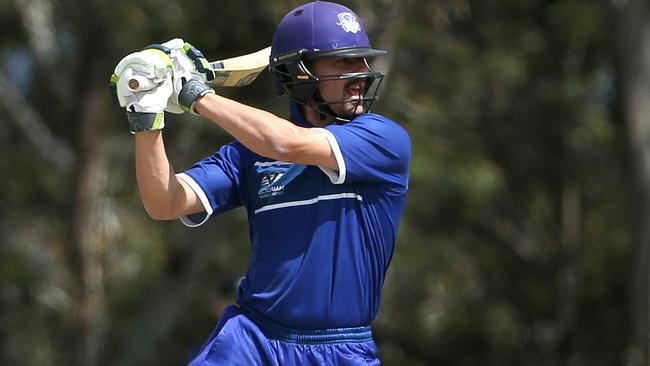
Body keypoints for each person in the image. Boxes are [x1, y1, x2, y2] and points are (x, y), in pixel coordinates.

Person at [112, 1, 410, 365]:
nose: (360, 75)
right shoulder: (249, 153)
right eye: (342, 63)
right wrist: (145, 116)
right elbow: (164, 202)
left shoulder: (383, 140)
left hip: (341, 350)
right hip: (255, 340)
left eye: (361, 61)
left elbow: (285, 143)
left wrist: (195, 93)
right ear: (298, 74)